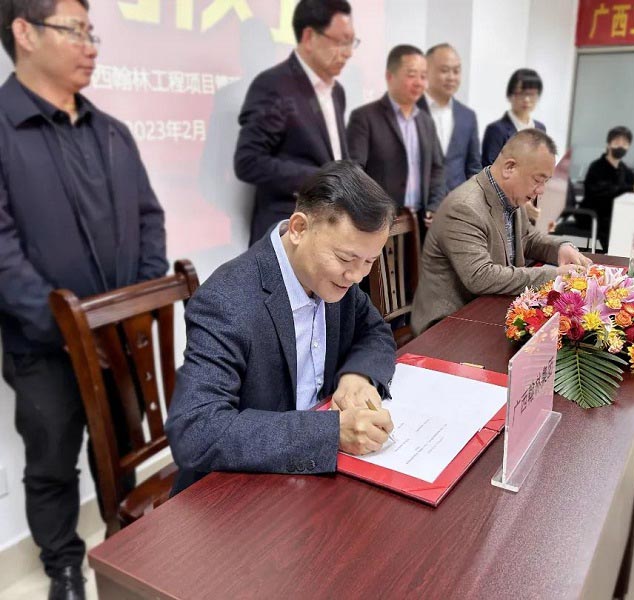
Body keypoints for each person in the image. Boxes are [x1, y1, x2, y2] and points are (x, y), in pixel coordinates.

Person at [0, 1, 168, 598]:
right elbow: (2, 253)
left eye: (90, 32)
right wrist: (68, 329)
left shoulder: (112, 132)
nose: (91, 45)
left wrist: (137, 307)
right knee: (51, 461)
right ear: (24, 33)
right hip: (43, 345)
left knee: (121, 451)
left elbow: (149, 219)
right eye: (75, 31)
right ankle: (65, 570)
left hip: (119, 341)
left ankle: (127, 556)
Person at [166, 161, 396, 496]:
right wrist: (331, 433)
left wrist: (357, 377)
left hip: (313, 481)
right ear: (299, 228)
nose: (356, 276)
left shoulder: (336, 278)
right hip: (238, 493)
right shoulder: (226, 300)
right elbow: (197, 429)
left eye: (369, 262)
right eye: (346, 259)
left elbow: (374, 332)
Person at [411, 129, 591, 335]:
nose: (541, 190)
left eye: (545, 182)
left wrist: (560, 248)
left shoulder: (512, 196)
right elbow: (481, 276)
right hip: (448, 324)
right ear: (509, 167)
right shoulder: (465, 207)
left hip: (490, 307)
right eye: (537, 180)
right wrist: (554, 275)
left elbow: (529, 239)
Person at [234, 0, 357, 246]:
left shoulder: (337, 92)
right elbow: (248, 161)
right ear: (309, 37)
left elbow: (333, 155)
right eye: (340, 42)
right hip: (288, 231)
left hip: (328, 229)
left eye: (352, 42)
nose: (348, 52)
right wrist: (321, 179)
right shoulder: (274, 85)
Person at [347, 44, 445, 234]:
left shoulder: (426, 121)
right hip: (380, 225)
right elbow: (354, 170)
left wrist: (434, 205)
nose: (419, 83)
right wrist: (373, 211)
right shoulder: (365, 117)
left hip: (420, 223)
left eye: (423, 76)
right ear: (389, 76)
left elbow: (437, 168)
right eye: (411, 74)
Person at [417, 43, 481, 193]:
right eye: (444, 70)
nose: (451, 77)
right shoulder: (409, 111)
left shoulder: (467, 116)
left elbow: (473, 167)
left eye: (456, 71)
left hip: (456, 202)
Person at [481, 68, 546, 167]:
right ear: (510, 95)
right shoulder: (496, 130)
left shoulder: (540, 129)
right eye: (521, 93)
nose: (527, 99)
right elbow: (489, 170)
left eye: (531, 94)